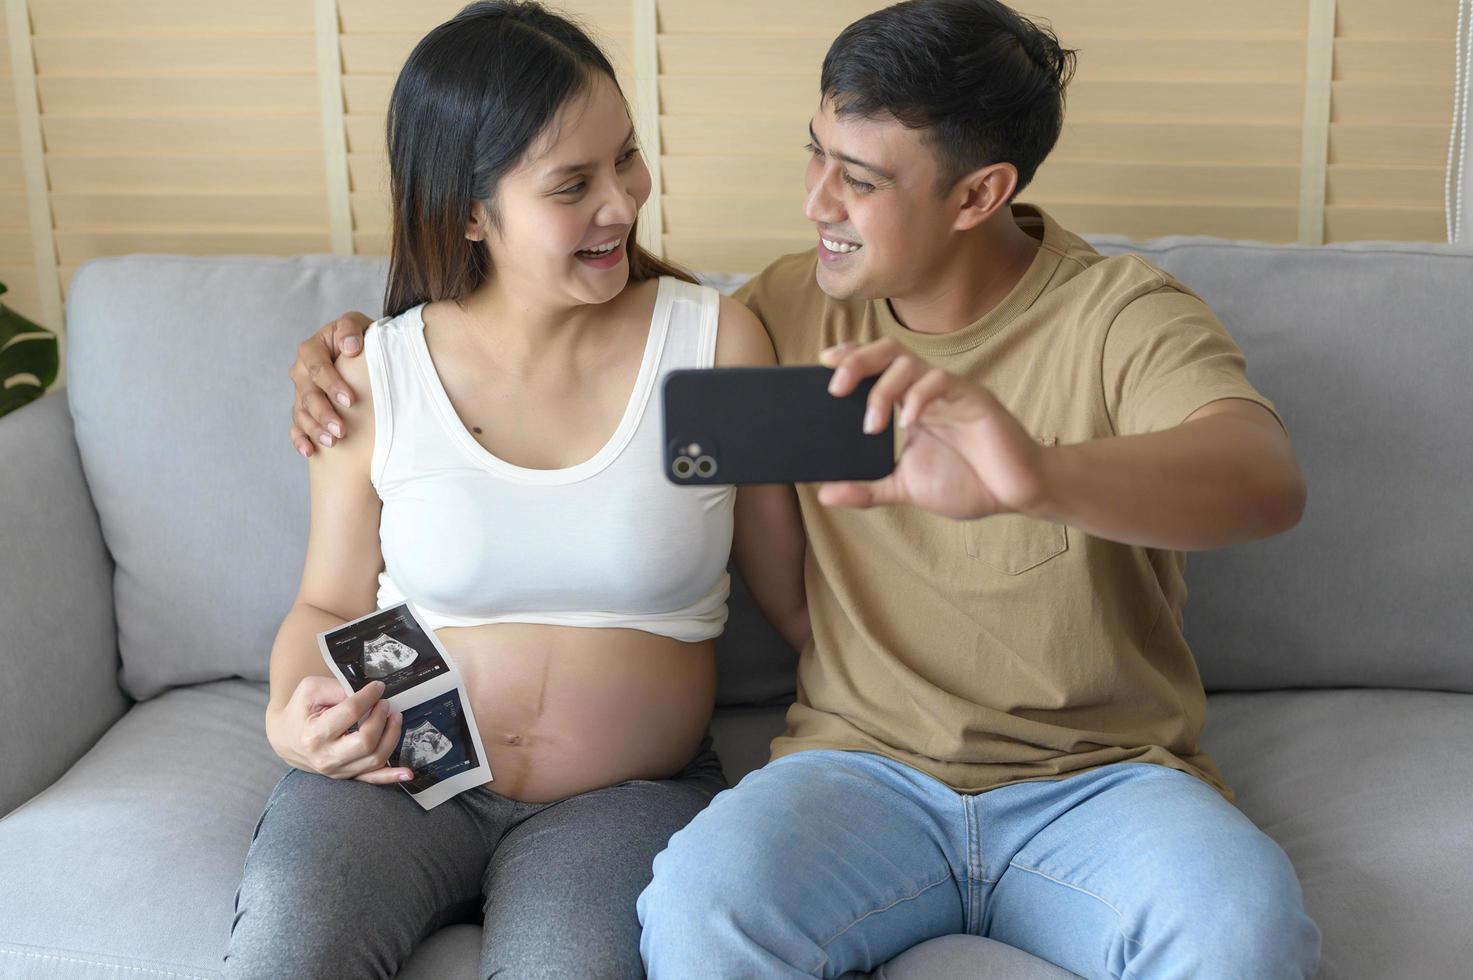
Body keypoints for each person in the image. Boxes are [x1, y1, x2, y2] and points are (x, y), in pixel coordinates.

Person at [289, 1, 1323, 977]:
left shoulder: (1120, 315)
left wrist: (1040, 473)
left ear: (977, 194)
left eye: (858, 179)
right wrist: (350, 351)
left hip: (1102, 783)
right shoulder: (784, 312)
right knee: (699, 908)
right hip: (858, 773)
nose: (813, 201)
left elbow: (1261, 478)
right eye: (815, 154)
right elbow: (569, 319)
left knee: (1247, 924)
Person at [230, 3, 805, 978]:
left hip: (624, 794)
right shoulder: (378, 374)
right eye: (573, 184)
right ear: (466, 208)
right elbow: (325, 604)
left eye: (626, 158)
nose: (622, 203)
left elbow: (800, 602)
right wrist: (294, 720)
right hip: (391, 777)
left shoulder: (710, 349)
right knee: (287, 947)